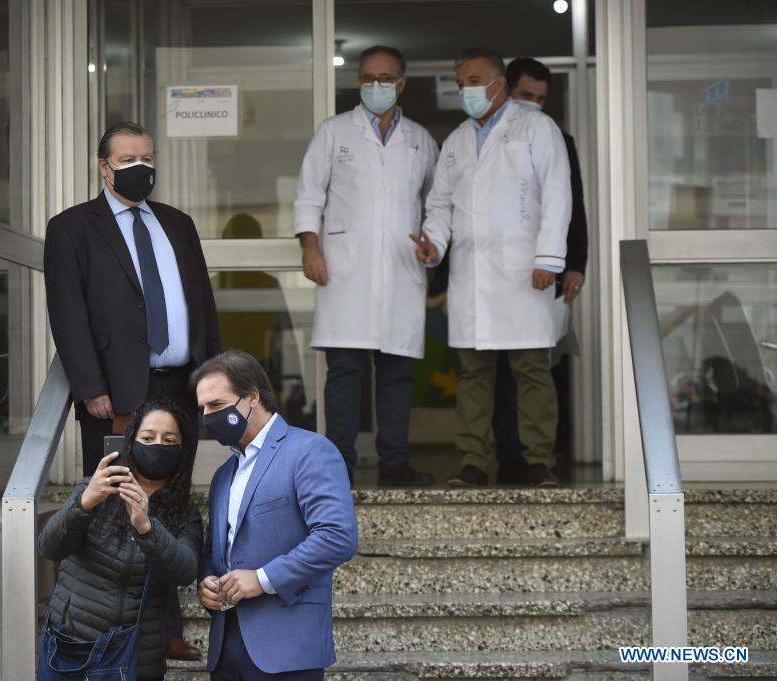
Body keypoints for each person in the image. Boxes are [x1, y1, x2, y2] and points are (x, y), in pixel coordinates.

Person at [43, 121, 218, 660]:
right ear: (105, 167)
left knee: (171, 508)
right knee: (117, 510)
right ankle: (109, 634)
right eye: (129, 158)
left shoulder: (178, 224)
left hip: (178, 385)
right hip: (115, 394)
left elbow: (202, 305)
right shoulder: (72, 227)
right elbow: (67, 312)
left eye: (149, 156)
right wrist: (88, 387)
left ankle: (166, 630)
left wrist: (210, 381)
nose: (143, 166)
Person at [415, 48, 571, 488]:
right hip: (473, 276)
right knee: (474, 375)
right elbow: (440, 203)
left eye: (472, 80)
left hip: (525, 272)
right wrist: (435, 245)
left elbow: (558, 196)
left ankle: (539, 460)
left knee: (533, 373)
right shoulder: (457, 141)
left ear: (499, 84)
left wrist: (549, 260)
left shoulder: (537, 128)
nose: (465, 89)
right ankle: (471, 461)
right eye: (460, 80)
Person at [293, 45, 439, 487]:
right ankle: (339, 466)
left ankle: (395, 462)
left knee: (395, 373)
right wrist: (310, 247)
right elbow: (308, 195)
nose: (375, 86)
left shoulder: (420, 139)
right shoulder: (334, 132)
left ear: (402, 82)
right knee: (345, 373)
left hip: (400, 270)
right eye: (367, 78)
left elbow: (438, 202)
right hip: (346, 270)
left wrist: (434, 243)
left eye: (384, 78)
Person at [193, 350, 358, 680]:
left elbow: (337, 536)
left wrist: (262, 578)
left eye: (216, 405)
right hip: (226, 650)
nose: (207, 416)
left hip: (288, 650)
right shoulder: (224, 474)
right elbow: (216, 549)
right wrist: (206, 583)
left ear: (252, 397)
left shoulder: (309, 450)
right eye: (202, 409)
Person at [37, 398, 203, 681]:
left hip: (135, 656)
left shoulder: (185, 514)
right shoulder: (94, 487)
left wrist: (146, 527)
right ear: (131, 442)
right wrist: (86, 502)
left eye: (169, 440)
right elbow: (50, 547)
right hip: (70, 647)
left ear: (182, 450)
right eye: (148, 437)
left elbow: (185, 570)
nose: (157, 446)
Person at [493, 57, 590, 484]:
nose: (533, 104)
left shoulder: (559, 139)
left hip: (544, 271)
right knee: (495, 368)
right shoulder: (483, 136)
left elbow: (573, 207)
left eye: (541, 98)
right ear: (505, 90)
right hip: (493, 272)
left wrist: (574, 264)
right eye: (525, 95)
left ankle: (541, 458)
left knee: (538, 365)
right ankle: (508, 456)